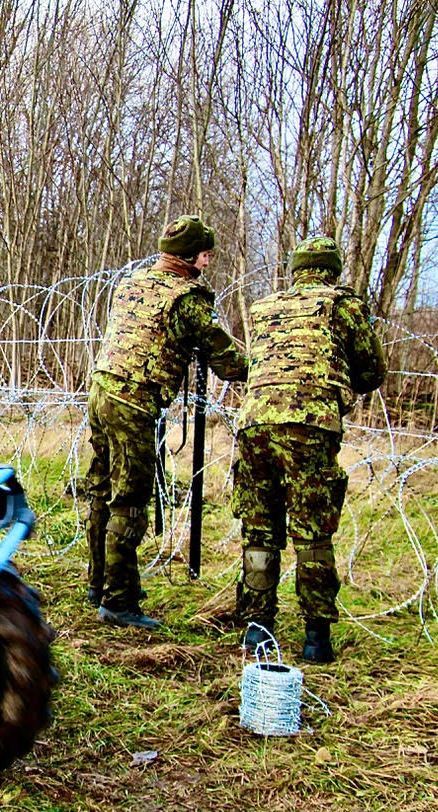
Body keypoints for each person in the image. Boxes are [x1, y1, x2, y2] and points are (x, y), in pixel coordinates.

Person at [83, 215, 248, 629]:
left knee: (101, 487)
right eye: (206, 256)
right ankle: (118, 603)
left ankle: (99, 581)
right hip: (134, 402)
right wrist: (266, 368)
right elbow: (226, 359)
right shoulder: (187, 298)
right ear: (190, 256)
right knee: (130, 501)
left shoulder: (133, 282)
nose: (208, 264)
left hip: (101, 390)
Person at [232, 236, 386, 662]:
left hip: (254, 424)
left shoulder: (265, 308)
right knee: (313, 532)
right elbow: (372, 371)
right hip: (310, 425)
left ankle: (257, 631)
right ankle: (316, 638)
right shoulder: (342, 305)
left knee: (260, 531)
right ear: (332, 269)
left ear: (297, 268)